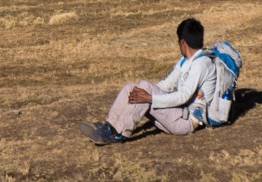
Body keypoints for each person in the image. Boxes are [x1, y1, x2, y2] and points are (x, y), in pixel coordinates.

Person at [82, 18, 217, 145]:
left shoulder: (201, 64)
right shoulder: (185, 62)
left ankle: (117, 133)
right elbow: (166, 85)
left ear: (183, 42)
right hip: (176, 114)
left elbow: (183, 97)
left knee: (146, 88)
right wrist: (143, 93)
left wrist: (149, 97)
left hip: (185, 122)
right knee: (132, 87)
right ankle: (110, 124)